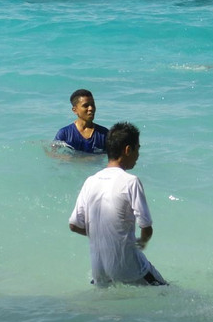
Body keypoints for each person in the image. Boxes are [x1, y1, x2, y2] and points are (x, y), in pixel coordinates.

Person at [68, 122, 166, 286]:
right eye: (137, 149)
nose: (138, 155)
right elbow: (146, 227)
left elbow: (73, 225)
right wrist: (142, 241)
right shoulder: (130, 182)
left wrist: (102, 235)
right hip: (129, 268)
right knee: (167, 292)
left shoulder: (90, 181)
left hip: (99, 272)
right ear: (128, 150)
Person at [53, 89, 108, 154]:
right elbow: (53, 155)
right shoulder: (64, 134)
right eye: (86, 106)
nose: (91, 108)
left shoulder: (104, 134)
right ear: (75, 110)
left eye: (92, 105)